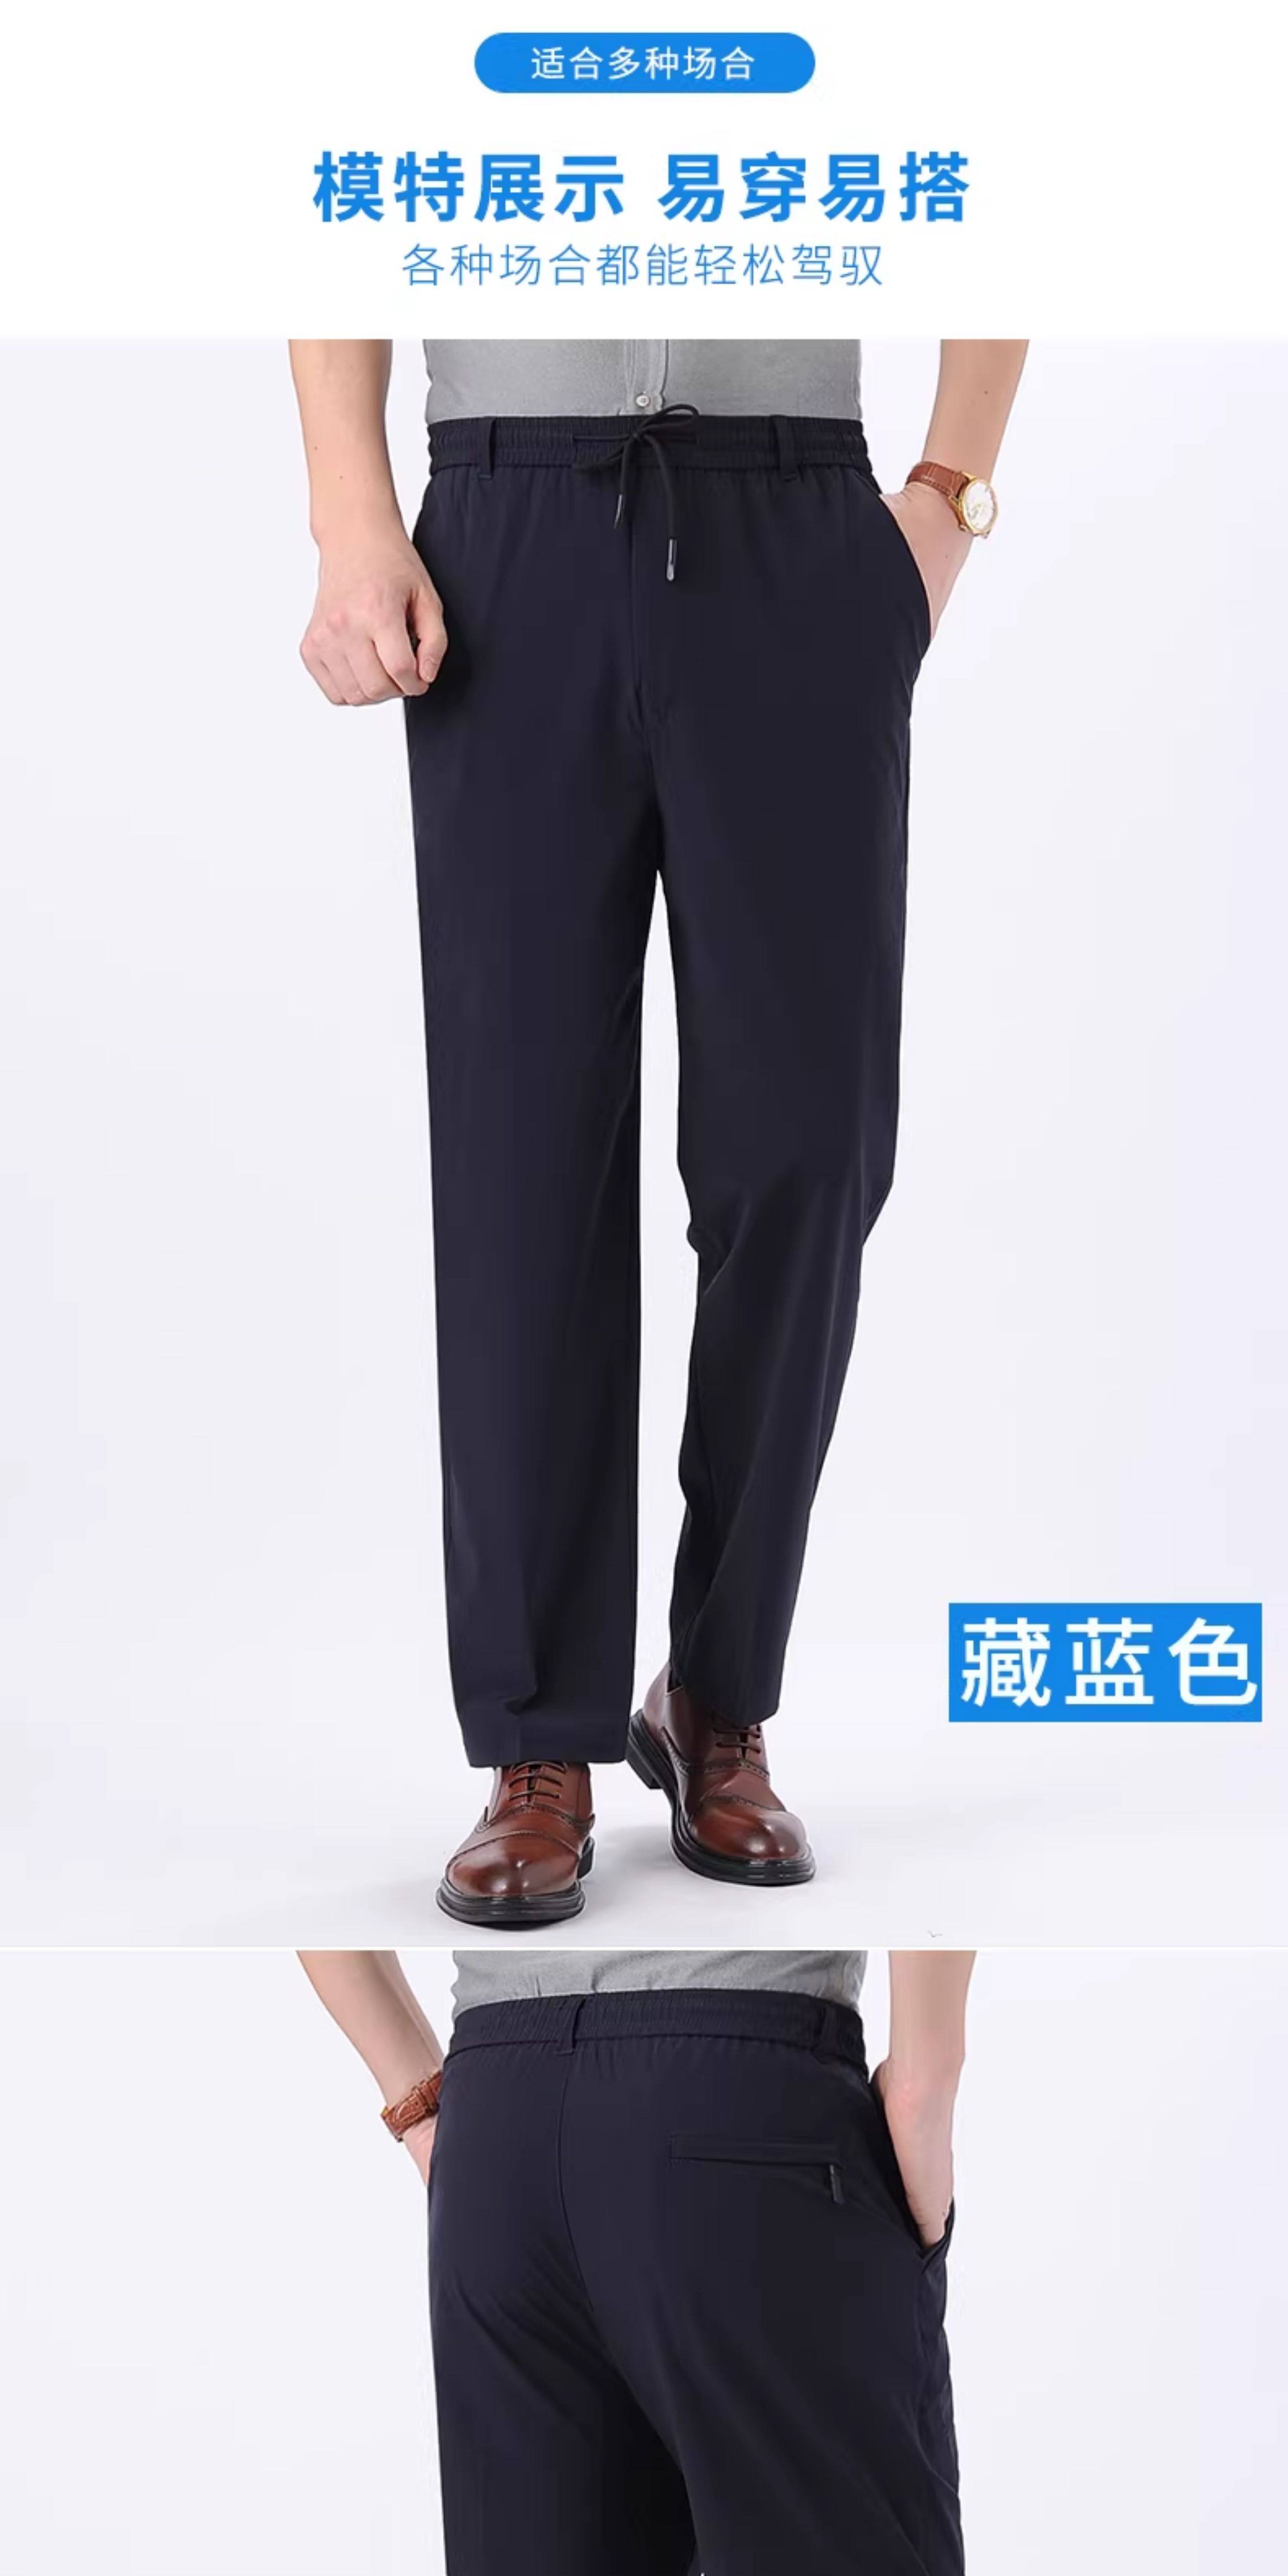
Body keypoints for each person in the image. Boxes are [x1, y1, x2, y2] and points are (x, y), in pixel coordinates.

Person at [289, 341, 1027, 1925]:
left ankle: (719, 1695)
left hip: (799, 519)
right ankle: (537, 1742)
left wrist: (951, 490)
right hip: (508, 520)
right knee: (521, 1164)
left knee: (809, 1149)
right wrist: (353, 511)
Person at [299, 1944, 975, 2576]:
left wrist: (421, 2109)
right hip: (742, 2102)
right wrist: (926, 2077)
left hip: (499, 2123)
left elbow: (306, 1872)